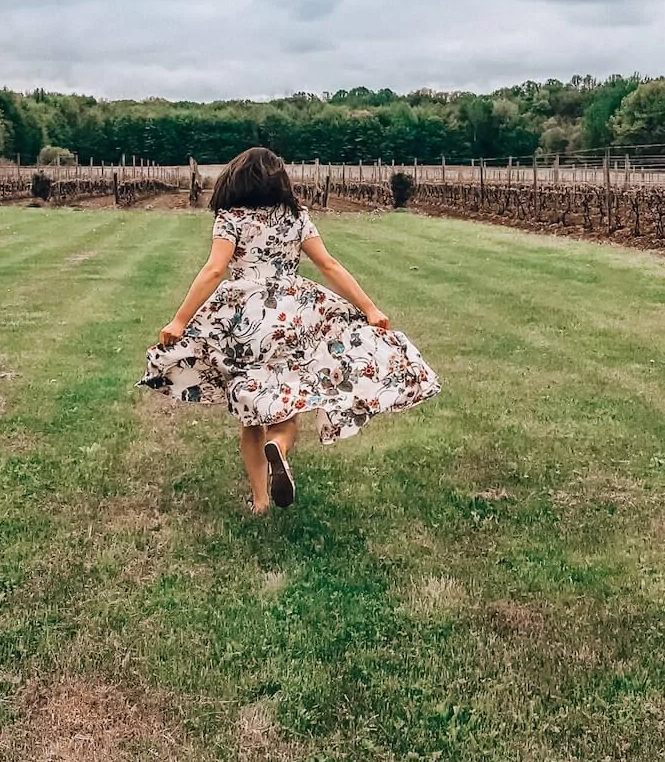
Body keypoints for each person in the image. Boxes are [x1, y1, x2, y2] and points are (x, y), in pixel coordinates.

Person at [139, 146, 440, 514]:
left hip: (243, 318)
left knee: (249, 412)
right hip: (293, 312)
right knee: (287, 404)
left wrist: (180, 320)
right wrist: (369, 309)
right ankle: (279, 447)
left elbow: (214, 270)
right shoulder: (297, 218)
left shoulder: (230, 218)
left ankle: (261, 501)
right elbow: (328, 264)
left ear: (235, 181)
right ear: (279, 181)